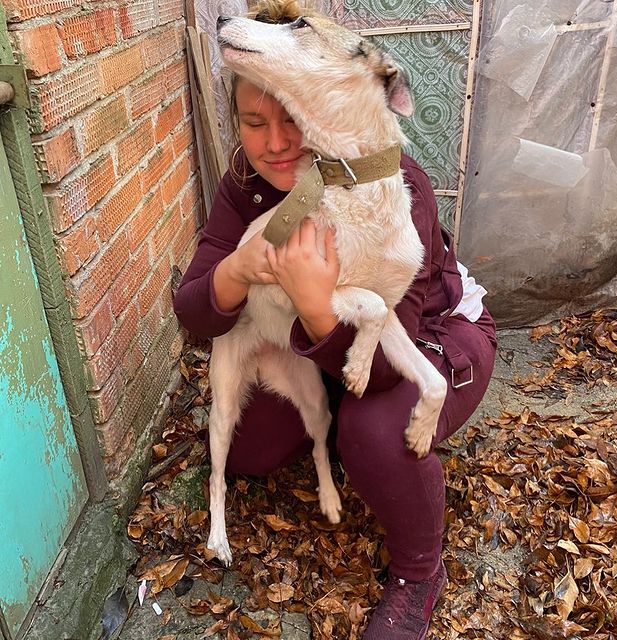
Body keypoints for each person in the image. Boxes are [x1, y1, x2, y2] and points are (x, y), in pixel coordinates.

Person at [173, 50, 497, 640]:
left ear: (322, 113)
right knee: (248, 451)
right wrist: (236, 271)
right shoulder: (245, 187)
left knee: (373, 429)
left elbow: (383, 363)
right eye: (253, 122)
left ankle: (419, 573)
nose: (274, 143)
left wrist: (318, 305)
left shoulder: (391, 185)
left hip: (432, 335)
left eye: (291, 119)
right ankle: (338, 443)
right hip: (324, 351)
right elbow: (194, 309)